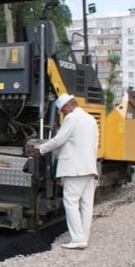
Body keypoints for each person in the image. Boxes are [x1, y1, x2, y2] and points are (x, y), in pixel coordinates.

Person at [35, 93, 99, 249]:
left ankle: (77, 240)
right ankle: (84, 237)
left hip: (74, 169)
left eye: (63, 111)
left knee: (70, 202)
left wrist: (40, 149)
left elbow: (59, 140)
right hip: (89, 167)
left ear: (68, 106)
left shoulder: (72, 118)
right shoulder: (91, 119)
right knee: (86, 204)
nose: (64, 114)